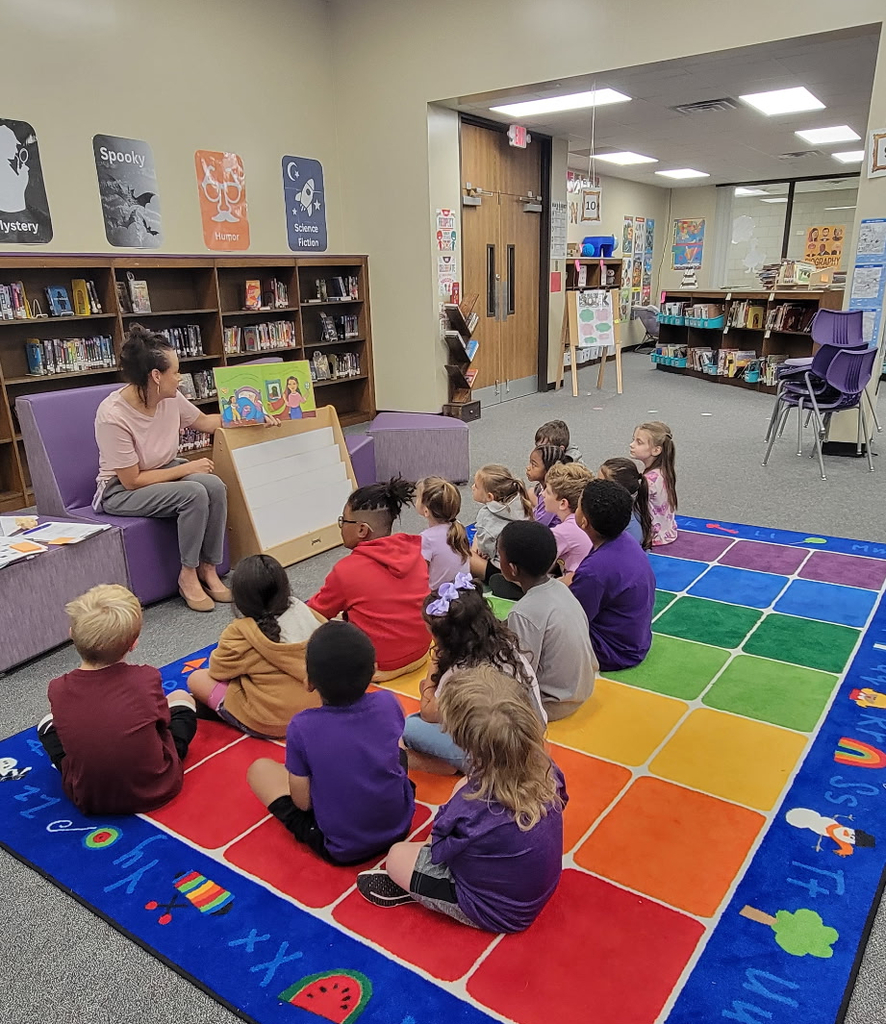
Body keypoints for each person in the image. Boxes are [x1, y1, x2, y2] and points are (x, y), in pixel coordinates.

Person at [357, 666, 567, 933]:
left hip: (500, 910)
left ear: (464, 743)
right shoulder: (548, 769)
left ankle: (427, 893)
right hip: (537, 885)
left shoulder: (472, 809)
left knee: (397, 857)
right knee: (464, 788)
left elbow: (438, 849)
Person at [93, 324, 276, 612]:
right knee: (193, 493)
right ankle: (187, 575)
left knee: (214, 485)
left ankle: (208, 568)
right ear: (156, 376)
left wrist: (250, 416)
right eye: (176, 372)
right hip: (120, 490)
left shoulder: (168, 397)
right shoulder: (112, 415)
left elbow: (203, 422)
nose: (180, 378)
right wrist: (186, 469)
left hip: (161, 470)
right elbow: (131, 480)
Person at [246, 622, 415, 865]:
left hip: (343, 848)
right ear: (374, 670)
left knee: (259, 769)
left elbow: (302, 804)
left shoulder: (301, 727)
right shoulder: (389, 702)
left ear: (309, 681)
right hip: (400, 825)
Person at [36, 584, 197, 815]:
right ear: (133, 643)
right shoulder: (147, 677)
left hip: (90, 798)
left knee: (47, 725)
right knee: (181, 699)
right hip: (160, 787)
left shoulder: (57, 688)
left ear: (71, 634)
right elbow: (162, 725)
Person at [401, 574, 545, 775]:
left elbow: (428, 712)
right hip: (531, 733)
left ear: (445, 638)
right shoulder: (506, 645)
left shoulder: (459, 669)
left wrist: (435, 661)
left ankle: (460, 765)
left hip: (500, 755)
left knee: (409, 727)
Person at [187, 554, 325, 738]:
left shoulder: (241, 631)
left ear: (240, 597)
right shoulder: (302, 610)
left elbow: (218, 671)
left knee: (196, 678)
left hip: (272, 721)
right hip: (321, 705)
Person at [308, 478, 430, 680]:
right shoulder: (415, 552)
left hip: (378, 666)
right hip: (421, 653)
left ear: (362, 530)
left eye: (343, 521)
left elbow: (314, 613)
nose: (341, 527)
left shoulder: (346, 570)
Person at [497, 521, 597, 720]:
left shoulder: (523, 613)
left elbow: (522, 673)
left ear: (513, 569)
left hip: (551, 704)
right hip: (582, 689)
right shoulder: (560, 588)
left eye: (499, 556)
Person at [570, 479, 655, 672]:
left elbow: (573, 620)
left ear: (584, 521)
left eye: (579, 505)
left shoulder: (594, 570)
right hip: (635, 640)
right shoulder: (625, 540)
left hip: (613, 651)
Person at [469, 464, 533, 581]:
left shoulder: (486, 515)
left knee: (465, 555)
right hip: (525, 567)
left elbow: (484, 552)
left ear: (489, 497)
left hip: (501, 569)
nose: (472, 487)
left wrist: (480, 550)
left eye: (476, 486)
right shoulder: (521, 501)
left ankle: (504, 582)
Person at [416, 476, 471, 590]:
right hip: (465, 595)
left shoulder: (426, 538)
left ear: (426, 511)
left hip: (439, 598)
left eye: (417, 497)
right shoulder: (458, 529)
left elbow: (419, 575)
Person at [629, 420, 678, 547]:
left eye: (639, 442)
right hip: (667, 531)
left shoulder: (648, 480)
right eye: (633, 440)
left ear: (656, 450)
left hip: (653, 535)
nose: (631, 445)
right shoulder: (664, 471)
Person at [542, 462, 594, 573]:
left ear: (563, 503)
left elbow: (535, 569)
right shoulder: (588, 520)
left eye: (548, 491)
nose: (543, 494)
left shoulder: (562, 532)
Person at [598, 457, 653, 550]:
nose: (595, 486)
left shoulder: (630, 528)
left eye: (601, 484)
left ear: (618, 492)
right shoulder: (613, 510)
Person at [526, 444, 572, 527]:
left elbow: (538, 526)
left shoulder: (551, 496)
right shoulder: (543, 490)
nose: (528, 468)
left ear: (549, 469)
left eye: (534, 465)